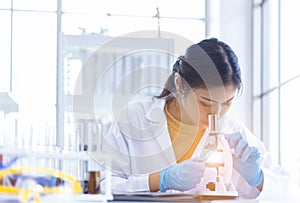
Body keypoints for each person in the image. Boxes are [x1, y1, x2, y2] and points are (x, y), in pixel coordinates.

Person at [99, 38, 300, 199]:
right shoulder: (134, 118)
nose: (217, 114)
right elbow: (101, 185)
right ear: (179, 83)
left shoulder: (234, 134)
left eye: (227, 102)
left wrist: (258, 179)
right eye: (206, 102)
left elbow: (292, 193)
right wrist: (159, 180)